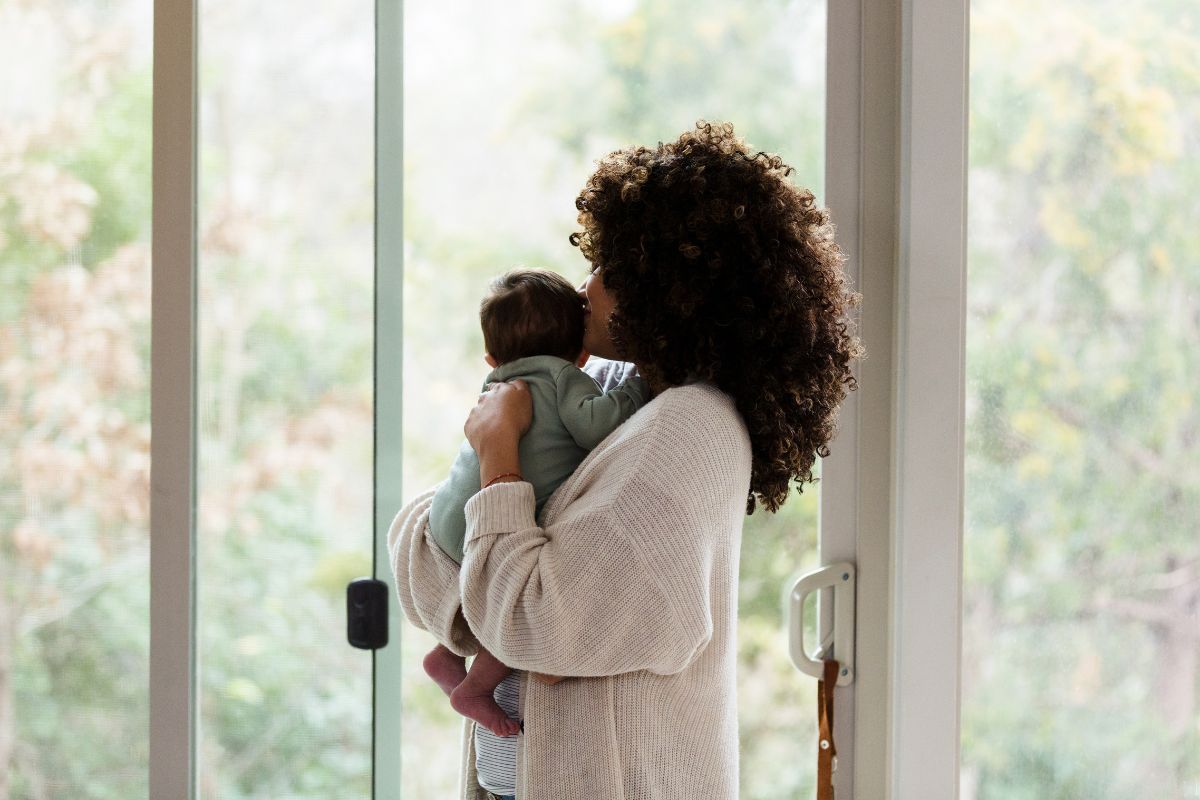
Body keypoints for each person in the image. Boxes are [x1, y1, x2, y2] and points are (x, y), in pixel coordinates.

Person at [389, 121, 861, 800]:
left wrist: (497, 461)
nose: (587, 287)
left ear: (672, 287)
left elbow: (527, 617)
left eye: (610, 267)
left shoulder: (689, 432)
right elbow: (420, 547)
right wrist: (501, 607)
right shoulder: (611, 402)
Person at [421, 267, 649, 739]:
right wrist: (639, 385)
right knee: (514, 610)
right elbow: (596, 426)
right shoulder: (564, 376)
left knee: (483, 590)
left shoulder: (497, 385)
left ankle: (446, 653)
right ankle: (475, 689)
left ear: (490, 357)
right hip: (495, 518)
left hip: (447, 516)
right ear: (580, 352)